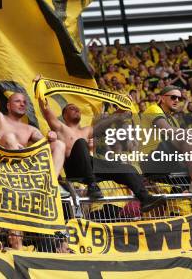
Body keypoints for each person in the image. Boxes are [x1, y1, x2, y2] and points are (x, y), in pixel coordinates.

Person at [36, 79, 165, 212]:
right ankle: (92, 185)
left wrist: (121, 109)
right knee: (80, 143)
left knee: (126, 168)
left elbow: (105, 123)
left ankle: (145, 198)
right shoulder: (60, 127)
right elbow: (45, 109)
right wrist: (39, 86)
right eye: (71, 108)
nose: (75, 109)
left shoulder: (86, 130)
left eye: (77, 108)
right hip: (74, 167)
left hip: (89, 167)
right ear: (64, 115)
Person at [0, 72, 65, 176]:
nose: (22, 104)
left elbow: (44, 145)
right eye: (17, 101)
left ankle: (51, 183)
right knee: (9, 137)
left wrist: (52, 137)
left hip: (23, 174)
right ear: (8, 105)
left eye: (24, 102)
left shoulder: (30, 129)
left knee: (59, 145)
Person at [140, 85, 192, 199]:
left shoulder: (173, 119)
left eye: (179, 99)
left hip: (166, 161)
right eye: (173, 97)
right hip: (149, 158)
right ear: (162, 98)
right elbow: (167, 130)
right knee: (188, 136)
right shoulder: (154, 109)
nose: (177, 100)